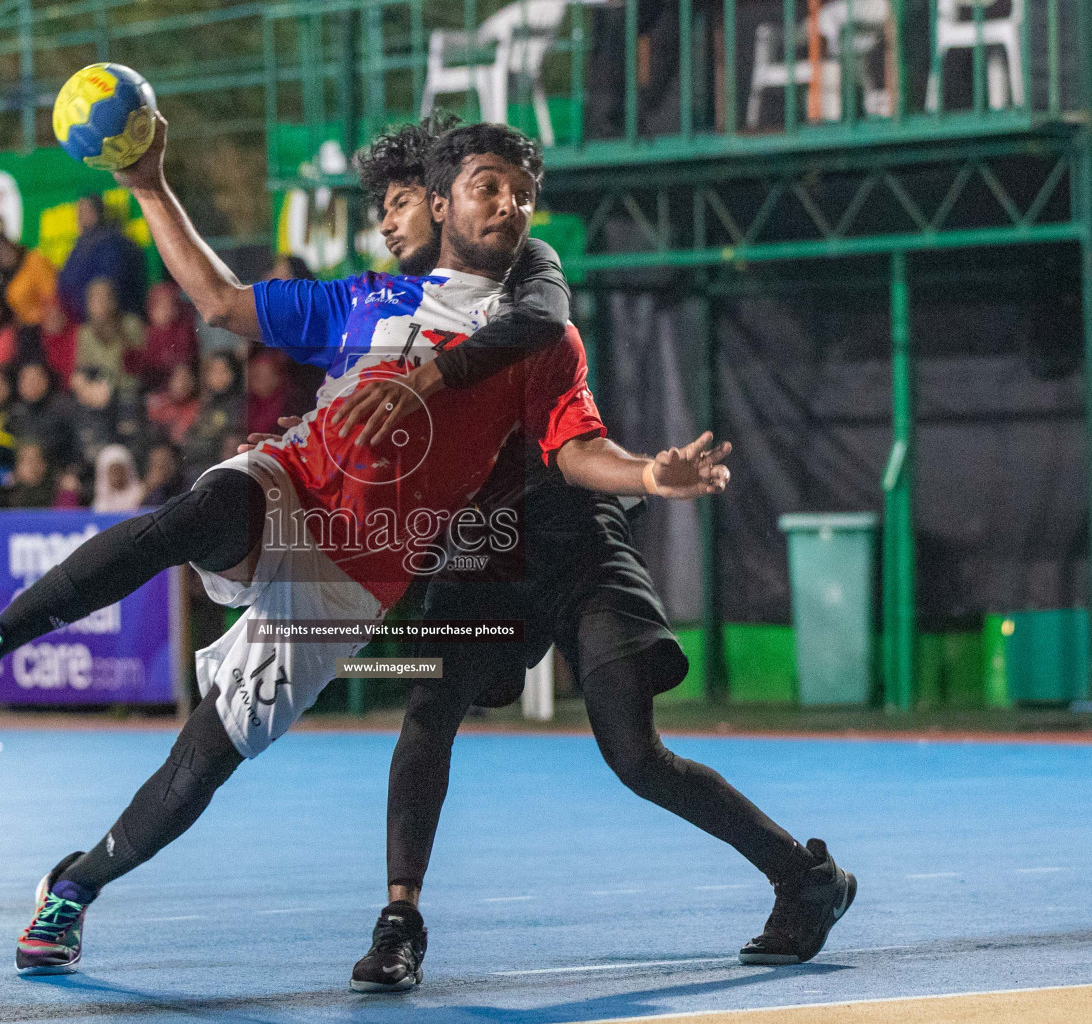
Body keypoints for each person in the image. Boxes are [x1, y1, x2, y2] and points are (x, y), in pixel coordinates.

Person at [0, 114, 729, 980]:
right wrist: (148, 185)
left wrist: (647, 477)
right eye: (491, 188)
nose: (512, 206)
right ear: (445, 202)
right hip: (292, 486)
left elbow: (573, 450)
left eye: (524, 195)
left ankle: (74, 885)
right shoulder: (363, 298)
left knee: (203, 761)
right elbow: (219, 303)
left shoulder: (538, 333)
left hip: (351, 576)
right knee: (202, 508)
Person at [325, 117, 854, 991]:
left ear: (441, 201)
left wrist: (649, 472)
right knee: (428, 712)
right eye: (384, 207)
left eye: (403, 202)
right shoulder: (383, 318)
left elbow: (576, 448)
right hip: (481, 557)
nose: (390, 221)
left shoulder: (534, 315)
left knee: (634, 756)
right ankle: (400, 923)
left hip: (574, 544)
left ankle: (807, 878)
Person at [57, 193, 148, 322]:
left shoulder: (112, 243)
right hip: (81, 322)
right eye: (79, 212)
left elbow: (107, 285)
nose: (81, 216)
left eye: (86, 211)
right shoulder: (81, 245)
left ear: (98, 212)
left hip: (109, 323)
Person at [75, 276, 147, 393]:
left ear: (113, 301)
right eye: (94, 299)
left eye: (104, 297)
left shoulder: (131, 324)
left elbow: (138, 367)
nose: (100, 303)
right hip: (99, 394)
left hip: (128, 392)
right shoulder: (85, 333)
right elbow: (84, 369)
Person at [10, 361, 79, 470]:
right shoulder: (15, 412)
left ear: (46, 380)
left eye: (35, 379)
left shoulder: (63, 408)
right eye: (26, 379)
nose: (31, 384)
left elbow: (75, 446)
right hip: (24, 473)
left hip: (58, 470)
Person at [0, 233, 57, 328]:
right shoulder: (6, 283)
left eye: (5, 248)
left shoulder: (34, 259)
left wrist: (50, 314)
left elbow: (51, 292)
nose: (5, 254)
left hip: (52, 319)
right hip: (29, 329)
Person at [138, 281, 198, 386]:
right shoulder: (143, 334)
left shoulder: (184, 333)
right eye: (160, 306)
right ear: (151, 309)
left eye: (170, 305)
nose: (166, 311)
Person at [144, 361, 200, 445]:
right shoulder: (157, 404)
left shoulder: (199, 407)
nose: (182, 384)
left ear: (193, 383)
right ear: (170, 380)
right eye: (178, 379)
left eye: (186, 379)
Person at [0, 442, 59, 509]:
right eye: (27, 460)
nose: (33, 465)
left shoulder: (57, 495)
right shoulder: (2, 499)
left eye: (37, 459)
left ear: (44, 465)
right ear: (17, 466)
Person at [90, 444, 144, 513]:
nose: (116, 475)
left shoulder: (141, 496)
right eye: (113, 471)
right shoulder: (99, 503)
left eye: (119, 469)